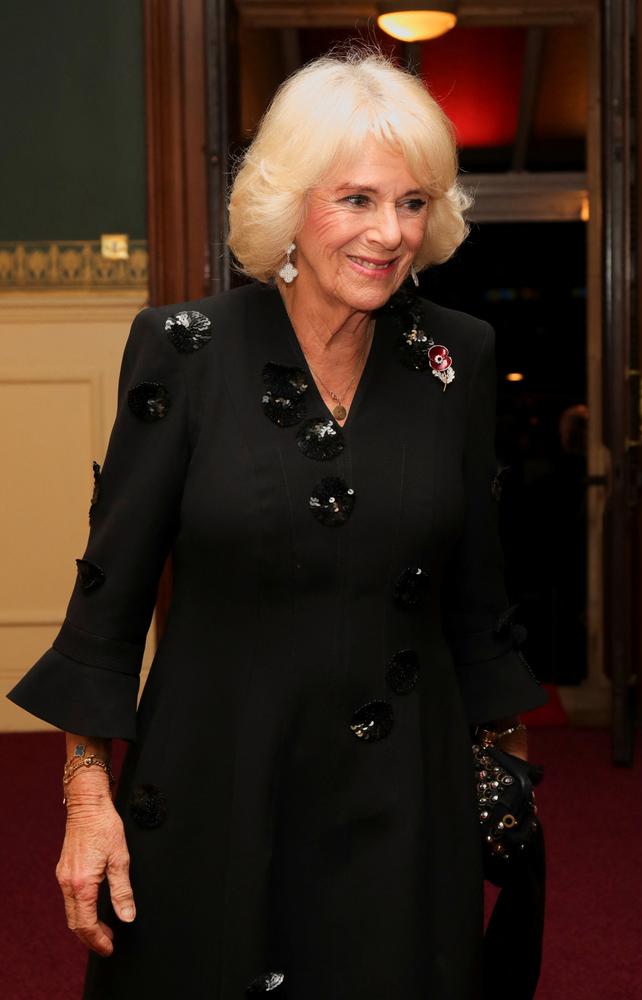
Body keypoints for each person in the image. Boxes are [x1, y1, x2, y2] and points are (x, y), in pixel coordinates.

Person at [8, 48, 547, 999]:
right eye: (357, 200)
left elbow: (480, 601)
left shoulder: (455, 359)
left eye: (413, 203)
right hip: (216, 782)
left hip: (404, 799)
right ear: (289, 203)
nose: (389, 233)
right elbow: (108, 599)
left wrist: (503, 778)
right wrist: (87, 796)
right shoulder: (185, 351)